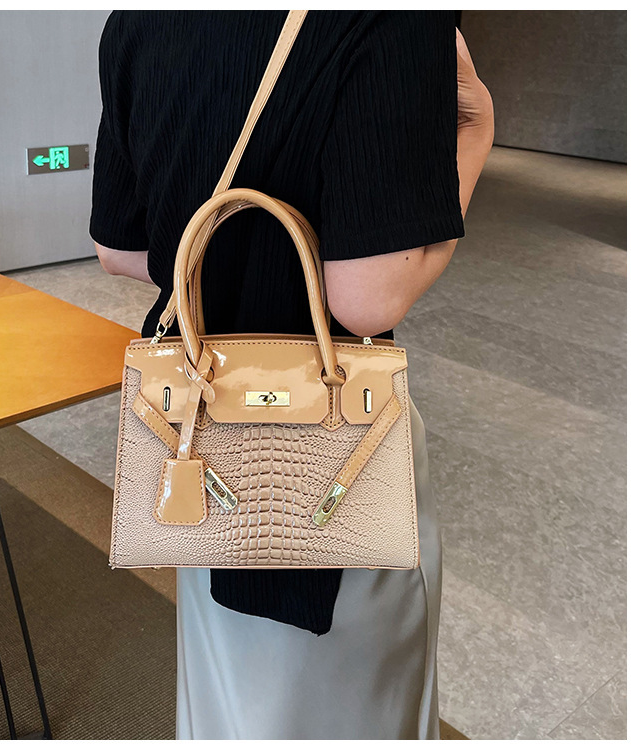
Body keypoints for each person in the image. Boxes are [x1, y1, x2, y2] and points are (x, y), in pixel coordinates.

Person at [90, 11, 493, 740]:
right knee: (346, 708)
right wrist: (476, 134)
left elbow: (118, 251)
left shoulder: (135, 19)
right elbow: (367, 298)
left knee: (230, 702)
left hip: (199, 437)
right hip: (338, 443)